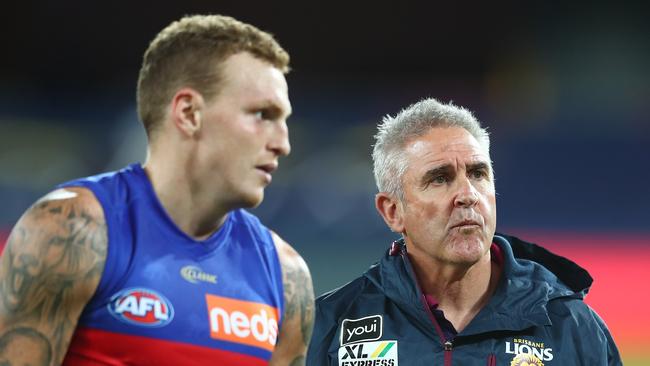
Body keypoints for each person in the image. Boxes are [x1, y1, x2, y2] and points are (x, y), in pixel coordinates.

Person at [0, 14, 314, 365]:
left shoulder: (286, 276)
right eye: (262, 114)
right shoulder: (73, 232)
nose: (283, 143)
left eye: (283, 119)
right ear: (189, 113)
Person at [307, 98, 621, 365]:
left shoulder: (573, 328)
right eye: (440, 178)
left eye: (478, 173)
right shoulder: (330, 325)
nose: (468, 194)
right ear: (393, 211)